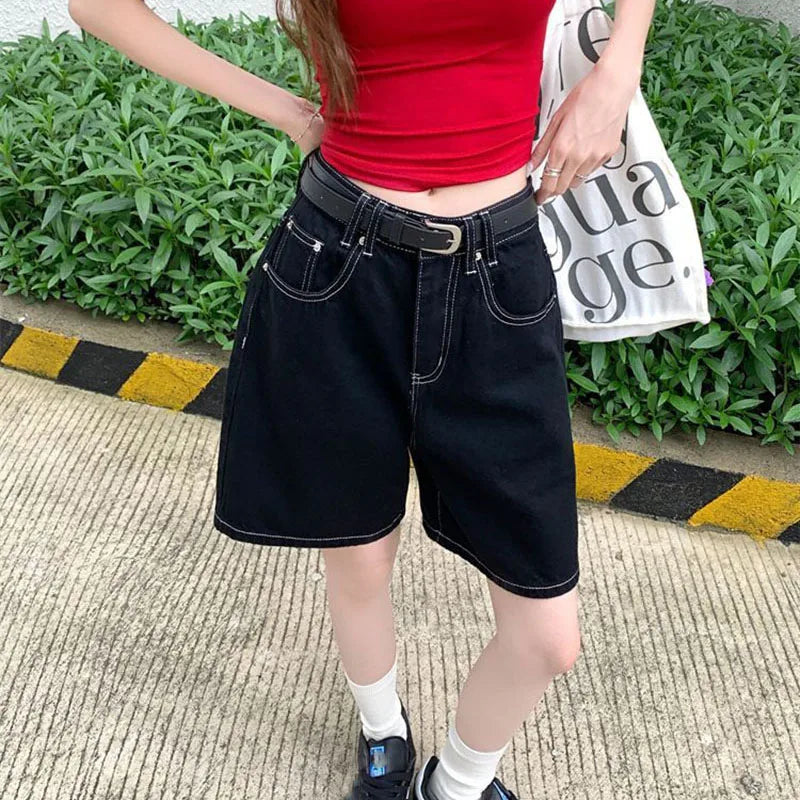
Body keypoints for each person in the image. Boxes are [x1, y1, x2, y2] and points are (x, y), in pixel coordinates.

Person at [68, 0, 655, 797]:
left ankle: (458, 782)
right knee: (359, 558)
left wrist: (619, 69)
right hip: (339, 266)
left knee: (548, 637)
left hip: (499, 275)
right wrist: (285, 109)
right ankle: (383, 735)